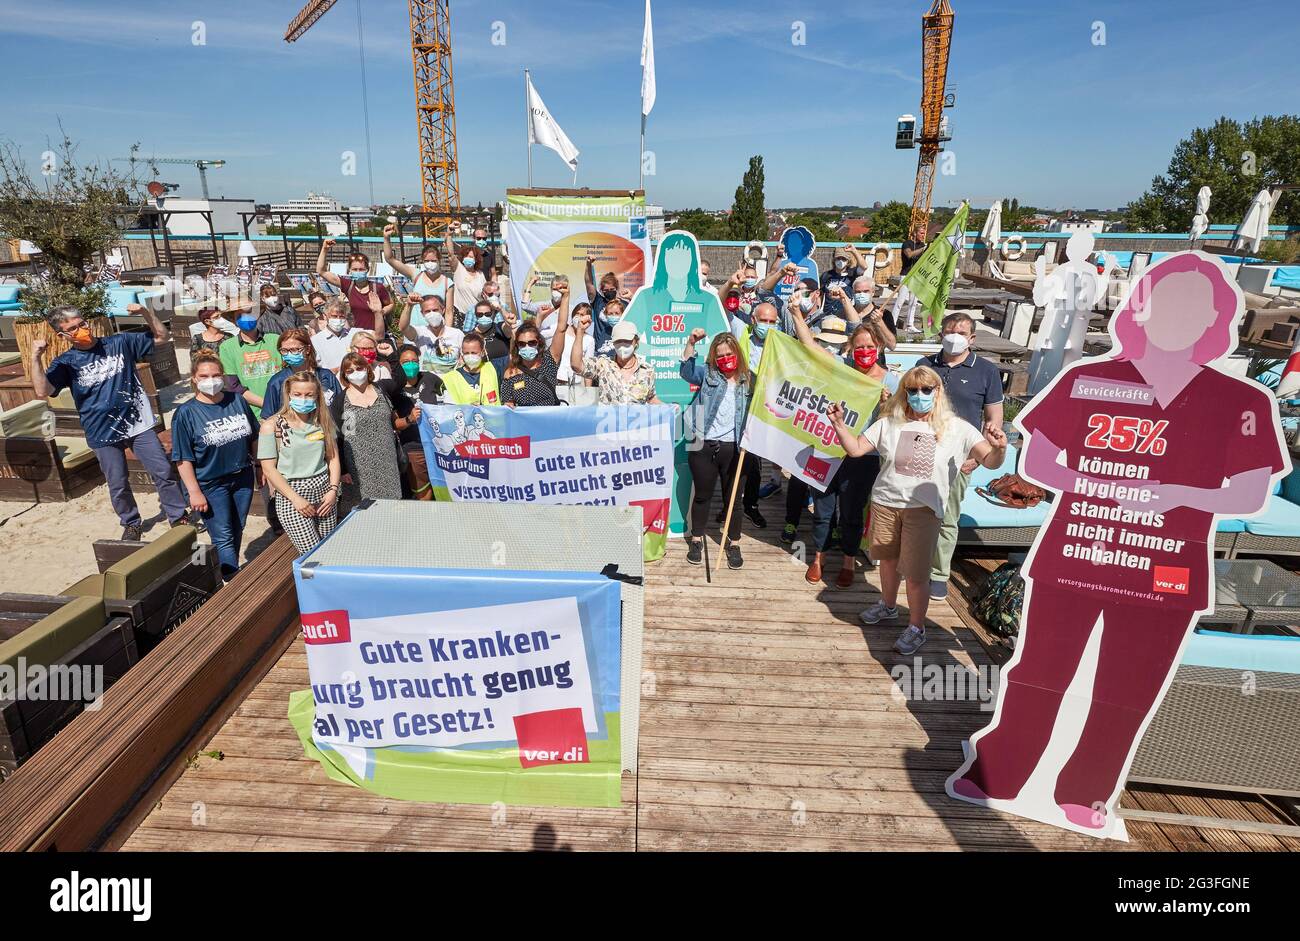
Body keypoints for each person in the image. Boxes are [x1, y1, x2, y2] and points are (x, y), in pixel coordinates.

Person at [949, 253, 1285, 831]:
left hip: (1165, 566)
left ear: (1214, 318)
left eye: (1193, 307)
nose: (1177, 316)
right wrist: (1092, 482)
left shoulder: (1242, 402)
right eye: (1167, 302)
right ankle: (1002, 771)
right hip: (1079, 550)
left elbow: (1250, 493)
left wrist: (1178, 494)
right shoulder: (1088, 380)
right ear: (1143, 309)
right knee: (1038, 672)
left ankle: (1087, 787)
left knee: (1126, 689)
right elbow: (1043, 460)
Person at [829, 365, 1006, 655]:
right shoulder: (889, 422)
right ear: (904, 392)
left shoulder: (957, 427)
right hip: (886, 503)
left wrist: (1000, 448)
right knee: (886, 562)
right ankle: (887, 606)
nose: (919, 395)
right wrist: (839, 425)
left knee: (915, 575)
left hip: (923, 510)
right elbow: (856, 449)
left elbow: (989, 461)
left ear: (938, 392)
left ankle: (916, 627)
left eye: (926, 389)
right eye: (912, 390)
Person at [32, 305, 189, 540]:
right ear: (62, 336)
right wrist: (36, 357)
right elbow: (43, 390)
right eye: (73, 328)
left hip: (138, 422)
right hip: (101, 430)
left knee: (163, 470)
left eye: (82, 323)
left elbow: (162, 337)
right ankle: (131, 522)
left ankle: (177, 516)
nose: (82, 329)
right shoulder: (66, 362)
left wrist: (145, 313)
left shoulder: (118, 343)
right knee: (117, 482)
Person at [791, 308, 898, 588]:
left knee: (851, 512)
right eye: (859, 346)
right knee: (823, 510)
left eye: (870, 347)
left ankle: (849, 561)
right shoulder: (841, 369)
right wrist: (796, 314)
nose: (864, 351)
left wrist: (886, 404)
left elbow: (899, 423)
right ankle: (819, 558)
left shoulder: (891, 381)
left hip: (863, 458)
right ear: (850, 349)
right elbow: (810, 347)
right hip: (827, 449)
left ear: (879, 348)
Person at [926, 313, 1005, 599]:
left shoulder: (986, 371)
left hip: (960, 460)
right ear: (940, 334)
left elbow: (994, 419)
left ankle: (938, 573)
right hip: (923, 453)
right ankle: (910, 565)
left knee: (947, 519)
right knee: (913, 514)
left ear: (972, 338)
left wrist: (979, 455)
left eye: (961, 332)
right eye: (949, 331)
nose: (954, 336)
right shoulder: (926, 365)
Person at [171, 352, 259, 580]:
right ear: (194, 378)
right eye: (204, 375)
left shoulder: (237, 400)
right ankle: (231, 578)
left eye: (216, 375)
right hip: (209, 482)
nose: (211, 380)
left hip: (242, 477)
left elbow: (253, 436)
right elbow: (182, 458)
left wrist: (258, 466)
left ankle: (226, 568)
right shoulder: (186, 413)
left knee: (237, 526)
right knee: (222, 534)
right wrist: (194, 492)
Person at [680, 329, 751, 569]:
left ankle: (734, 543)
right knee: (702, 495)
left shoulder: (749, 380)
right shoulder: (708, 373)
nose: (725, 359)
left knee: (734, 499)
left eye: (729, 354)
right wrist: (691, 343)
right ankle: (697, 539)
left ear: (737, 354)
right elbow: (686, 372)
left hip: (735, 447)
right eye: (720, 355)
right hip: (702, 442)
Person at [782, 315, 850, 544]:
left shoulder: (848, 367)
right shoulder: (809, 363)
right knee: (799, 480)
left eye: (837, 343)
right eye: (827, 342)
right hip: (808, 429)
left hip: (833, 433)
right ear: (819, 342)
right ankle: (791, 521)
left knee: (830, 485)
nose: (832, 347)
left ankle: (830, 529)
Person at [258, 371, 342, 553]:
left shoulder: (322, 421)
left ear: (316, 395)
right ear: (288, 394)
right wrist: (296, 499)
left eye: (309, 395)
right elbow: (269, 469)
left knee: (329, 549)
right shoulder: (271, 426)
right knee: (312, 553)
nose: (303, 399)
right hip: (292, 494)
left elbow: (333, 458)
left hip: (323, 491)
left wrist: (333, 490)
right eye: (298, 394)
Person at [335, 351, 405, 503]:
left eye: (359, 368)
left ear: (367, 368)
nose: (356, 373)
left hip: (387, 461)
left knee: (391, 506)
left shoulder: (382, 388)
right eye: (350, 371)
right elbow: (339, 437)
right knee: (361, 509)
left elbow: (401, 381)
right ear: (345, 375)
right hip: (357, 466)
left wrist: (391, 355)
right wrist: (343, 470)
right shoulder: (341, 400)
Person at [501, 292, 568, 407]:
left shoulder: (549, 363)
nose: (527, 347)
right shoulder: (511, 373)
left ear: (539, 343)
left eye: (532, 343)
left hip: (548, 422)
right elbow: (508, 406)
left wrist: (565, 297)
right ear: (517, 346)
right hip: (524, 423)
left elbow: (561, 328)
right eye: (522, 344)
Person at [261, 328, 343, 418]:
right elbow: (267, 417)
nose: (289, 354)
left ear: (307, 349)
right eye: (284, 350)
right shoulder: (277, 382)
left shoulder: (327, 376)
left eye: (295, 350)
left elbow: (341, 409)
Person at [572, 320, 658, 405]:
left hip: (636, 419)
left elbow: (651, 398)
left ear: (636, 342)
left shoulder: (647, 370)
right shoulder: (603, 364)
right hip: (609, 418)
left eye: (627, 341)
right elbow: (576, 365)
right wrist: (580, 332)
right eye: (618, 341)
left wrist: (669, 409)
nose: (622, 345)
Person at [218, 306, 282, 420]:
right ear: (234, 321)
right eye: (240, 316)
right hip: (254, 415)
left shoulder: (275, 340)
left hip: (284, 408)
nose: (246, 318)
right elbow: (234, 386)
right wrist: (268, 405)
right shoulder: (227, 348)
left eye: (249, 313)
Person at [315, 240, 392, 333]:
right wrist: (324, 249)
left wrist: (380, 312)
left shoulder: (378, 287)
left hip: (376, 333)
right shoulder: (348, 285)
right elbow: (321, 271)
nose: (358, 272)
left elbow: (390, 304)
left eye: (361, 269)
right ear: (350, 270)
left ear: (367, 269)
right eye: (355, 269)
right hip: (356, 333)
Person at [394, 344, 437, 500]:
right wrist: (410, 419)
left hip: (438, 445)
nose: (410, 364)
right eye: (405, 362)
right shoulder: (393, 389)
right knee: (423, 492)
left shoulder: (430, 379)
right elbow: (394, 424)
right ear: (398, 364)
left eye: (414, 360)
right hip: (414, 449)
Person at [381, 224, 451, 318]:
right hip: (415, 327)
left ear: (439, 260)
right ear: (422, 261)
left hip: (437, 328)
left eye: (433, 261)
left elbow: (449, 312)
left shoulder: (447, 282)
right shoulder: (416, 274)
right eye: (427, 261)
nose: (430, 263)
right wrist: (386, 238)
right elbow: (390, 259)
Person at [400, 292, 464, 366]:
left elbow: (463, 358)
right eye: (427, 311)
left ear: (443, 310)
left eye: (435, 310)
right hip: (427, 377)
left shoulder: (457, 334)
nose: (431, 314)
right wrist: (409, 305)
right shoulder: (419, 332)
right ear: (422, 313)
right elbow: (403, 327)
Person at [443, 333, 500, 405]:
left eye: (474, 353)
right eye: (466, 353)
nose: (470, 356)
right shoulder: (451, 378)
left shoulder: (494, 368)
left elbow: (513, 357)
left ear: (482, 352)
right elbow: (449, 409)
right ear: (462, 354)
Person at [841, 278, 897, 350]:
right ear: (853, 293)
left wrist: (879, 322)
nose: (861, 294)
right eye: (858, 292)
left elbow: (892, 346)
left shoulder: (884, 314)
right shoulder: (844, 313)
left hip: (875, 359)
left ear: (873, 292)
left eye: (865, 291)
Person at [443, 228, 487, 321]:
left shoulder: (480, 274)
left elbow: (484, 295)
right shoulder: (459, 269)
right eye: (466, 256)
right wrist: (449, 234)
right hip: (459, 315)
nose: (468, 258)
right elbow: (451, 254)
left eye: (471, 257)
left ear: (476, 260)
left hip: (476, 316)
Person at [557, 301, 596, 398]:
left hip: (576, 385)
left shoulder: (589, 340)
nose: (578, 317)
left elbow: (588, 368)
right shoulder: (561, 332)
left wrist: (589, 392)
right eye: (576, 314)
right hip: (557, 382)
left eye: (582, 315)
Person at [312, 297, 363, 371]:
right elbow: (315, 369)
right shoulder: (315, 341)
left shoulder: (354, 334)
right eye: (334, 316)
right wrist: (340, 370)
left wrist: (377, 313)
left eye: (341, 316)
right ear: (325, 316)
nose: (338, 319)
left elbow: (378, 335)